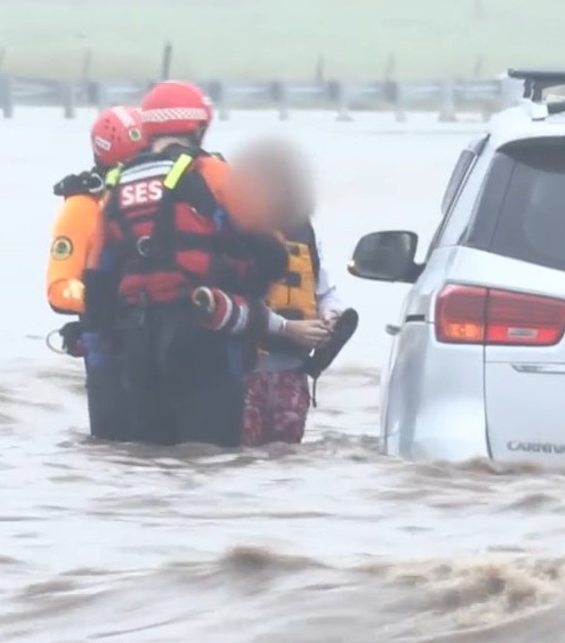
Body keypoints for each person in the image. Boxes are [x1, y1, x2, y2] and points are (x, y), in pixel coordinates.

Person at [93, 80, 287, 448]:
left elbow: (98, 280)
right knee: (211, 455)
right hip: (204, 332)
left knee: (147, 458)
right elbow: (273, 253)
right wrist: (248, 299)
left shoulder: (116, 187)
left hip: (138, 343)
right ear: (199, 128)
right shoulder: (213, 174)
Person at [230, 138, 357, 446]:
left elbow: (325, 291)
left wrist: (330, 316)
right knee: (242, 454)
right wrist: (289, 329)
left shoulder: (305, 231)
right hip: (246, 372)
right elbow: (233, 301)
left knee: (287, 456)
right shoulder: (237, 230)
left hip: (292, 373)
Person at [45, 105, 148, 441]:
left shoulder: (162, 200)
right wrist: (106, 301)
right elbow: (59, 287)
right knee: (112, 445)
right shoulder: (82, 208)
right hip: (108, 345)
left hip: (156, 340)